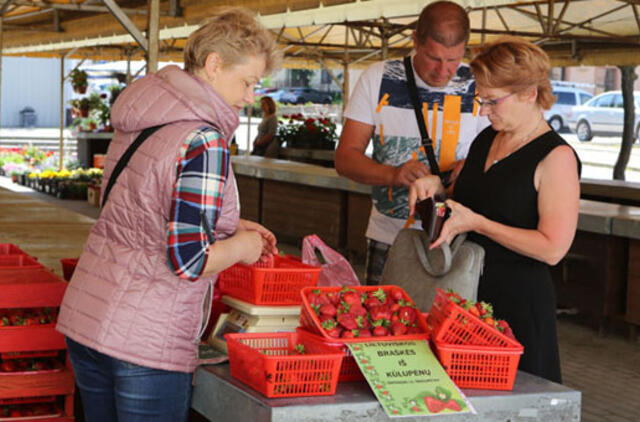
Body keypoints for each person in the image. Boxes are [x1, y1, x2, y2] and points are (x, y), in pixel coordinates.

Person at [56, 7, 281, 421]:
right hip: (146, 339)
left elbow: (140, 208)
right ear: (214, 66)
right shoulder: (204, 138)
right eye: (248, 81)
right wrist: (242, 246)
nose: (251, 96)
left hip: (88, 318)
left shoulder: (145, 116)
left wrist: (228, 225)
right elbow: (190, 260)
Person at [408, 37, 581, 383]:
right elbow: (466, 196)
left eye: (492, 101)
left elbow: (552, 248)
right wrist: (436, 186)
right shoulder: (487, 138)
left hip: (517, 306)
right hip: (466, 295)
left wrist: (480, 224)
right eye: (480, 99)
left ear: (529, 93)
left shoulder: (556, 158)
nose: (483, 110)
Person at [335, 1, 489, 285]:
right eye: (434, 57)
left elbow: (501, 153)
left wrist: (472, 166)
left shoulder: (480, 83)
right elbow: (345, 157)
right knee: (385, 325)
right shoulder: (378, 77)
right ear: (415, 40)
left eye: (454, 59)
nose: (444, 70)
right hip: (389, 235)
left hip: (456, 237)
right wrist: (392, 174)